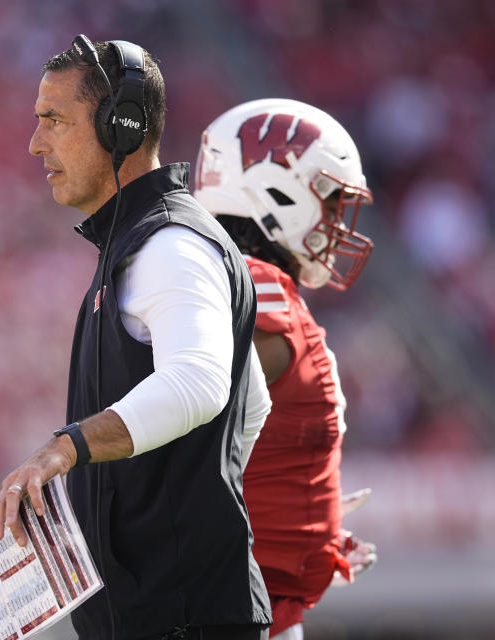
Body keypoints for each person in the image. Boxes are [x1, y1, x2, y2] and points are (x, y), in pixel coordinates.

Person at [0, 36, 272, 640]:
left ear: (122, 126)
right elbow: (253, 403)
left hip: (181, 621)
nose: (35, 143)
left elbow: (200, 382)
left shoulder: (170, 245)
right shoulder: (144, 240)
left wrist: (64, 449)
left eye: (54, 121)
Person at [194, 98, 378, 639]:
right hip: (234, 611)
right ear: (279, 192)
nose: (335, 220)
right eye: (329, 199)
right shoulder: (255, 287)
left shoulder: (241, 282)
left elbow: (233, 438)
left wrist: (297, 521)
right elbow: (187, 416)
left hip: (253, 601)